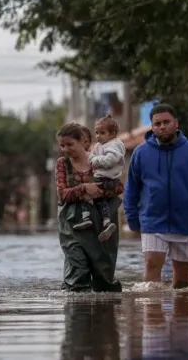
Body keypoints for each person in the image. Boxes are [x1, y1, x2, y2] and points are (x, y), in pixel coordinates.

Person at [123, 103, 188, 289]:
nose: (162, 127)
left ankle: (180, 317)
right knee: (151, 265)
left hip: (185, 221)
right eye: (157, 124)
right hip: (152, 221)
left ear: (176, 123)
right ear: (152, 126)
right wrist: (132, 218)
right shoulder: (141, 153)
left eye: (166, 122)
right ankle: (152, 315)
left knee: (181, 278)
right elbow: (131, 188)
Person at [56, 122, 123, 292]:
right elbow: (62, 194)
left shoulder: (98, 159)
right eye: (62, 145)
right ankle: (77, 313)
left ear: (81, 141)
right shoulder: (62, 163)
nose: (65, 149)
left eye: (70, 144)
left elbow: (118, 187)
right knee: (77, 270)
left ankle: (105, 314)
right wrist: (84, 188)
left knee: (104, 278)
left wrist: (99, 191)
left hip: (101, 224)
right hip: (72, 225)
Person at [72, 115, 124, 242]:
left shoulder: (114, 145)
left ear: (112, 133)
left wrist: (94, 160)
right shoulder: (99, 146)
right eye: (96, 132)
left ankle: (86, 217)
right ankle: (106, 223)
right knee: (101, 200)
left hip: (108, 180)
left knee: (86, 192)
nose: (98, 136)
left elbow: (109, 160)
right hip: (104, 179)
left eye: (102, 133)